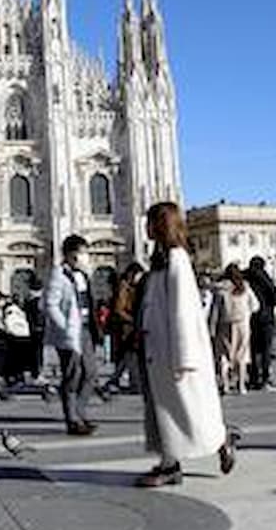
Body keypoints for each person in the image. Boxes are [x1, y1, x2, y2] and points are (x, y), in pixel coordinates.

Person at [134, 201, 236, 487]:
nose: (146, 227)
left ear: (162, 225)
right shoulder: (161, 261)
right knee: (164, 410)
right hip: (158, 349)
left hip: (174, 352)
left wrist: (185, 357)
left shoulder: (177, 259)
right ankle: (170, 464)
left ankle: (220, 440)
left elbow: (184, 311)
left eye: (151, 222)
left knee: (189, 410)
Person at [44, 234, 101, 436]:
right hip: (69, 333)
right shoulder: (57, 275)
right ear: (70, 254)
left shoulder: (83, 275)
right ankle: (73, 420)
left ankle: (79, 411)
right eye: (82, 252)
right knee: (72, 375)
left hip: (85, 329)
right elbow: (50, 304)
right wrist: (65, 327)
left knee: (91, 373)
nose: (85, 256)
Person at [212, 263, 260, 395]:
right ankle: (241, 385)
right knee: (242, 354)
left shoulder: (220, 290)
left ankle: (225, 384)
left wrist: (212, 327)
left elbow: (215, 311)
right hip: (242, 324)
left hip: (224, 324)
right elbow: (255, 306)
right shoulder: (244, 287)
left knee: (224, 355)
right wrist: (247, 313)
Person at [103, 262, 145, 394]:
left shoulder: (129, 287)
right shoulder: (124, 287)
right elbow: (119, 309)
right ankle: (128, 382)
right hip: (125, 328)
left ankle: (117, 380)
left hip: (126, 327)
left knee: (126, 357)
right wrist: (133, 321)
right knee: (128, 355)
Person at [244, 257, 276, 390]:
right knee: (266, 349)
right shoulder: (265, 278)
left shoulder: (244, 276)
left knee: (252, 349)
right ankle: (264, 377)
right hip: (265, 318)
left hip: (249, 318)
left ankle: (253, 376)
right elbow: (275, 297)